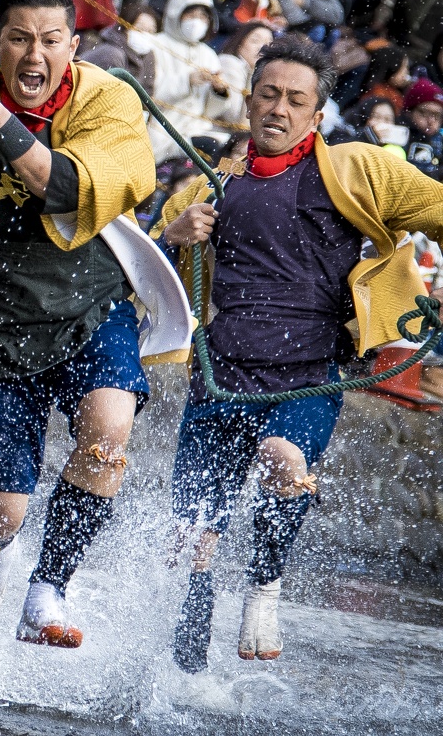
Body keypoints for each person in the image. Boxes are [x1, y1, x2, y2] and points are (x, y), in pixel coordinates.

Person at [157, 36, 443, 671]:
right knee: (191, 540)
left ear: (317, 114)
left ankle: (264, 588)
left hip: (309, 372)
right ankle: (187, 666)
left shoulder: (357, 168)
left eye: (295, 100)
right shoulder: (209, 185)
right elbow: (144, 266)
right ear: (249, 102)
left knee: (284, 461)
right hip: (221, 373)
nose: (278, 109)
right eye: (268, 95)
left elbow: (439, 208)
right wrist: (175, 235)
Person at [0, 0, 156, 647]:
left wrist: (0, 123)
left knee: (108, 436)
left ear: (73, 46)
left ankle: (49, 588)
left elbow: (66, 188)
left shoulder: (109, 98)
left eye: (51, 40)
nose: (35, 56)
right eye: (20, 39)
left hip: (91, 296)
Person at [147, 0, 235, 161]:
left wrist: (218, 91)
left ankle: (228, 179)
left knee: (235, 151)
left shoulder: (208, 54)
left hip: (197, 129)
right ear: (176, 13)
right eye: (191, 15)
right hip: (163, 132)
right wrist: (187, 81)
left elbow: (210, 112)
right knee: (211, 149)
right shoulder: (155, 45)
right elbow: (148, 94)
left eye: (203, 17)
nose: (197, 22)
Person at [401, 77, 443, 179]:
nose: (431, 121)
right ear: (409, 112)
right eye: (425, 112)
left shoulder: (440, 140)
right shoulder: (398, 134)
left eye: (437, 115)